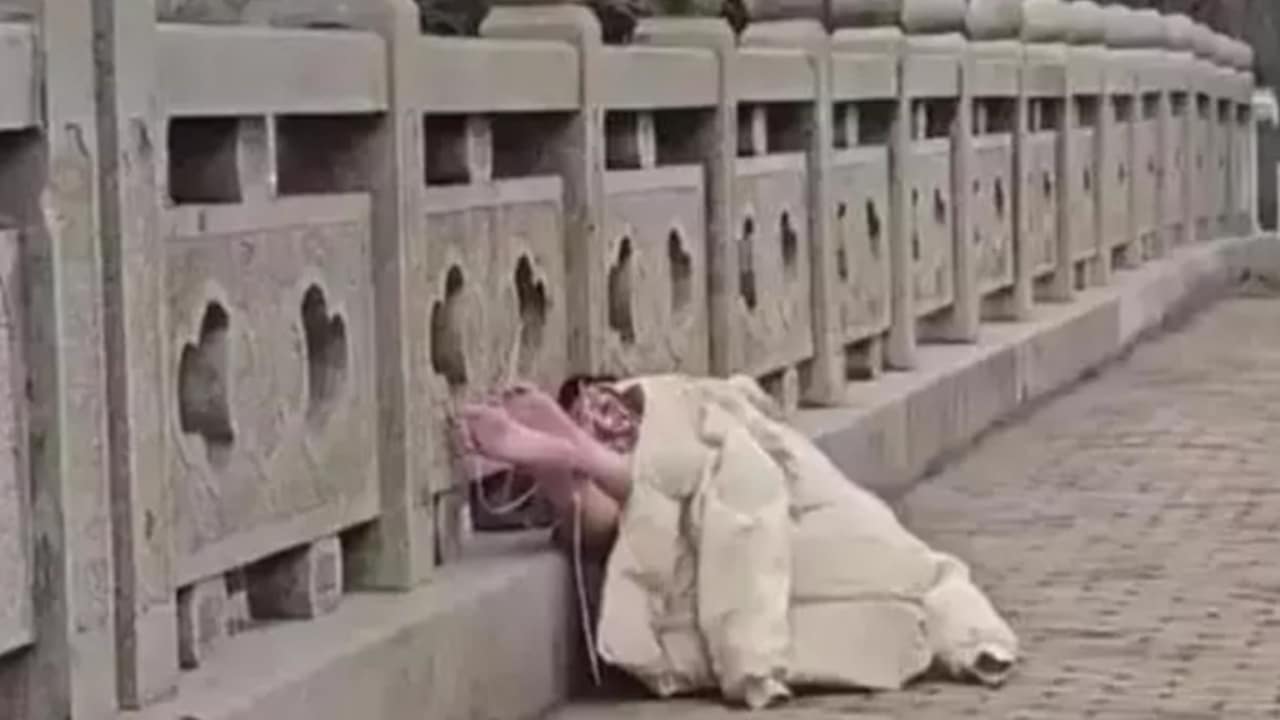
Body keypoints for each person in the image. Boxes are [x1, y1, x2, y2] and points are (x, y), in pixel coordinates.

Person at [458, 373, 1019, 709]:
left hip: (743, 493)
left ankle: (569, 456)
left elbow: (743, 472)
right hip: (671, 511)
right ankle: (566, 460)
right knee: (656, 520)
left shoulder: (677, 403)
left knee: (706, 496)